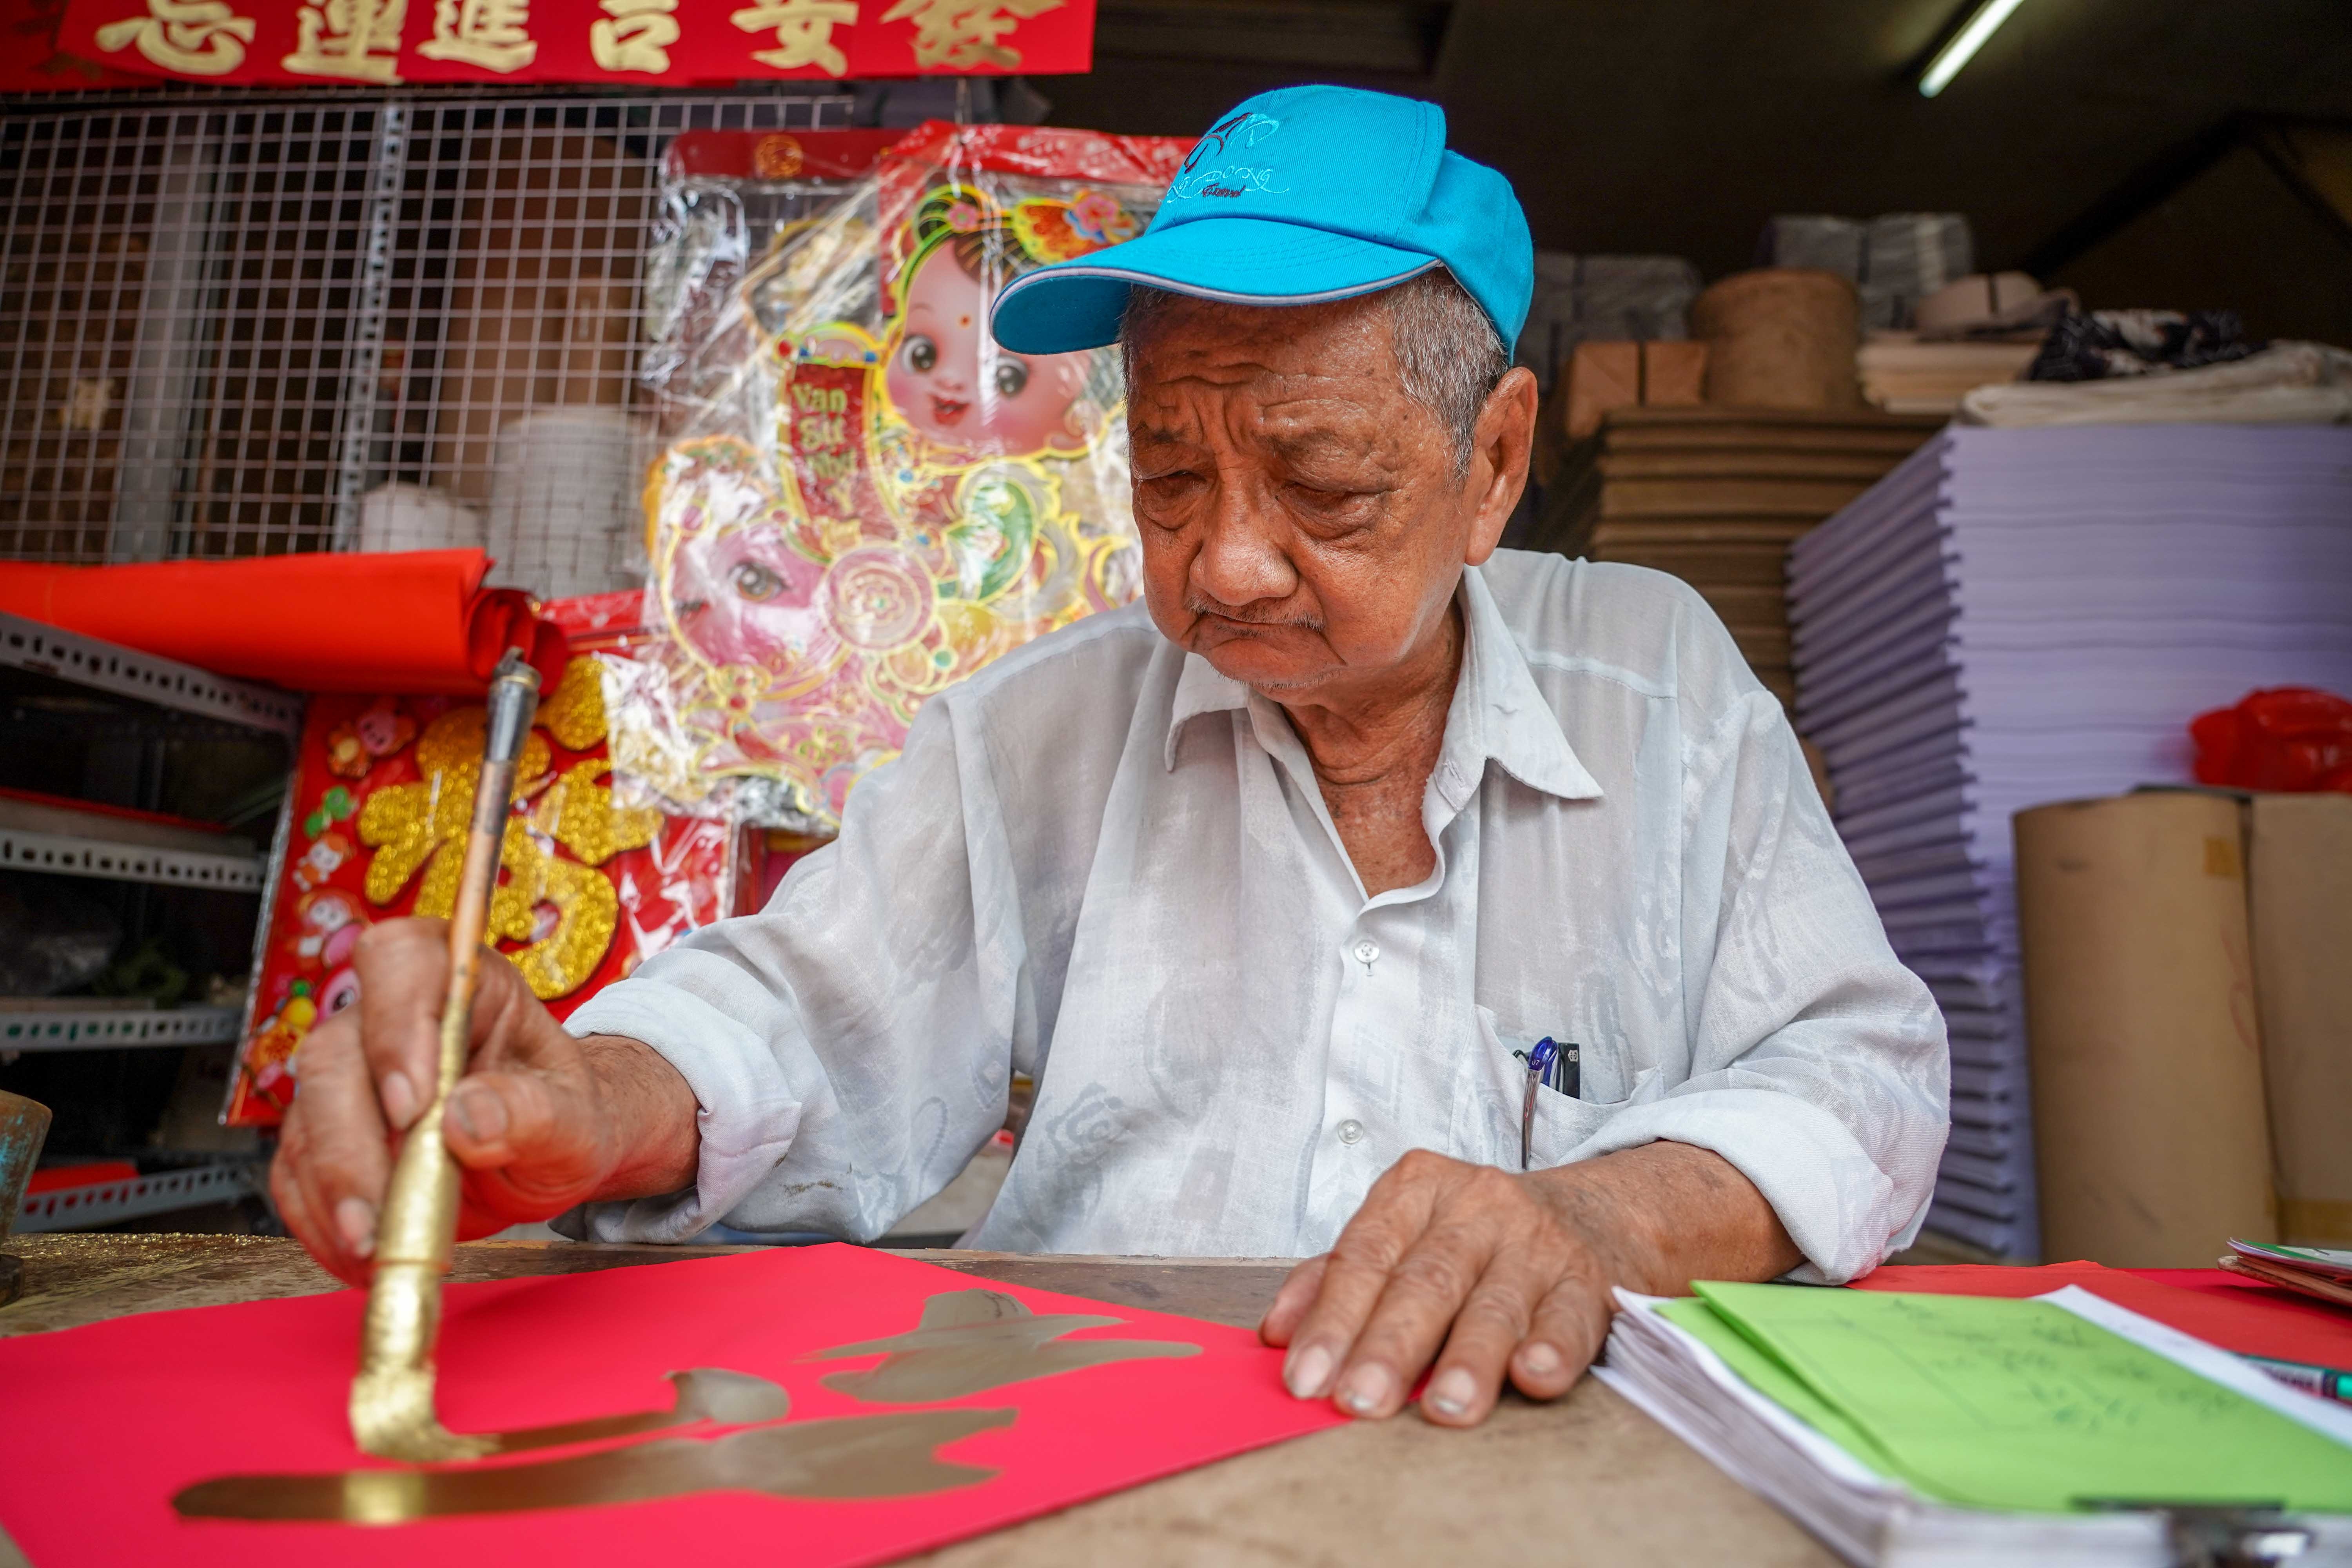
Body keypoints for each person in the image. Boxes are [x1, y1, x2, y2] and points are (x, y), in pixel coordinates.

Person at [273, 85, 1947, 1431]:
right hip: (1081, 1468)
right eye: (1169, 479)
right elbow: (806, 1013)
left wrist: (1601, 1215)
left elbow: (1860, 1074)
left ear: (1494, 460)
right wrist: (588, 1099)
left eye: (1324, 487)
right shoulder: (1044, 724)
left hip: (1529, 1472)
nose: (1225, 564)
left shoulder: (1658, 681)